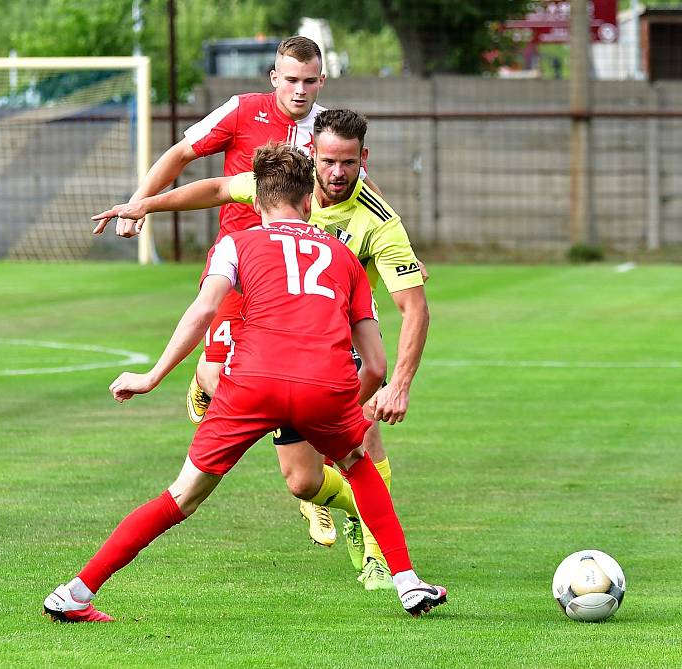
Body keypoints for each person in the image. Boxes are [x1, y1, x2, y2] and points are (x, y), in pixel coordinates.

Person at [44, 143, 447, 622]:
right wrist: (340, 411)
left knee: (180, 497)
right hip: (326, 384)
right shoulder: (342, 256)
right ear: (307, 202)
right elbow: (376, 365)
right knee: (358, 465)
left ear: (256, 202)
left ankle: (76, 593)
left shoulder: (236, 243)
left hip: (251, 382)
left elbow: (205, 310)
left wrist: (152, 376)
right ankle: (407, 582)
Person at [94, 35, 350, 546]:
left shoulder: (328, 130)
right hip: (238, 267)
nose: (299, 91)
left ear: (322, 80)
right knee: (217, 376)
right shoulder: (241, 111)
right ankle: (213, 391)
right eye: (290, 80)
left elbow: (354, 190)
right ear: (274, 78)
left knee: (299, 377)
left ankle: (312, 492)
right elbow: (184, 155)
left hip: (296, 274)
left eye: (309, 81)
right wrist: (138, 203)